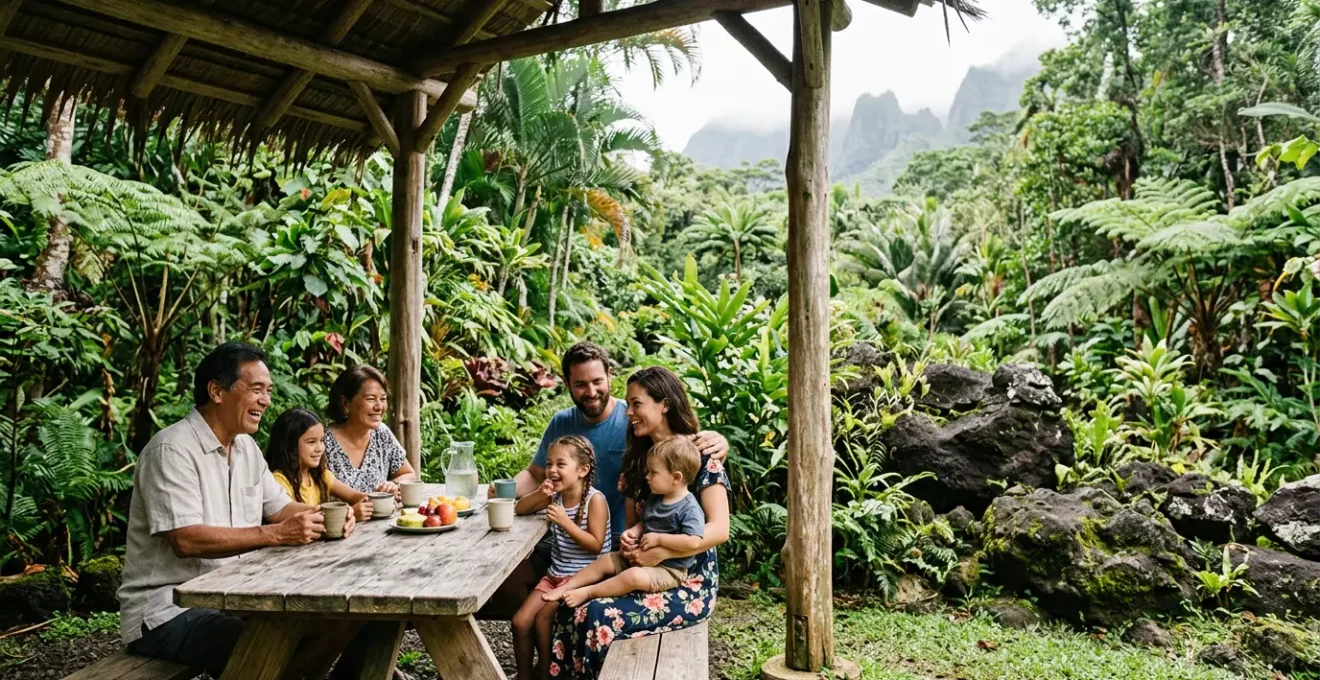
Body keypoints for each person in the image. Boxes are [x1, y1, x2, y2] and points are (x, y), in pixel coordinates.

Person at [118, 342, 355, 678]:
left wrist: (328, 514)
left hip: (234, 598)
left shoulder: (246, 448)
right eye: (256, 389)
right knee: (276, 647)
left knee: (342, 621)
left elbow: (280, 508)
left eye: (268, 391)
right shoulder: (171, 450)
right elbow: (186, 540)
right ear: (217, 391)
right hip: (169, 611)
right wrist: (274, 535)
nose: (266, 401)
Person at [546, 365, 730, 679]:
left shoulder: (700, 458)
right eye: (628, 404)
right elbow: (635, 525)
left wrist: (664, 550)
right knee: (568, 606)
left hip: (686, 581)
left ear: (664, 404)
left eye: (636, 404)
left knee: (597, 613)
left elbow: (720, 529)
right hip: (640, 569)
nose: (628, 412)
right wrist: (631, 541)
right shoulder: (636, 463)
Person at [491, 342, 728, 549]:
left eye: (597, 381)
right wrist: (503, 491)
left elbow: (680, 451)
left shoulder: (637, 424)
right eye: (581, 384)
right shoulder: (566, 423)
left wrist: (718, 442)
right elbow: (536, 474)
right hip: (571, 536)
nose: (591, 392)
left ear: (609, 376)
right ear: (567, 383)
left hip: (621, 539)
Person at [544, 436, 703, 608]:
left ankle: (588, 592)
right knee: (605, 560)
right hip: (639, 557)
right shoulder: (656, 497)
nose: (647, 476)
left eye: (653, 472)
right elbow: (645, 523)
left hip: (668, 570)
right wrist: (634, 531)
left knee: (633, 576)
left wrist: (659, 539)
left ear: (676, 477)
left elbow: (694, 541)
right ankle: (565, 587)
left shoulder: (689, 508)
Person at [511, 436, 610, 680]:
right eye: (549, 464)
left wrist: (566, 522)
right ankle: (524, 676)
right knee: (520, 622)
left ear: (582, 470)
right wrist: (539, 494)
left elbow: (596, 545)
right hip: (554, 575)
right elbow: (520, 509)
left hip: (583, 577)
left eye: (561, 464)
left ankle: (546, 672)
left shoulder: (595, 500)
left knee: (543, 619)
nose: (552, 470)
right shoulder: (555, 496)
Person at [323, 365, 418, 498]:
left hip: (381, 512)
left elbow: (409, 474)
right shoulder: (322, 441)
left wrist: (394, 484)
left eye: (383, 399)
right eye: (371, 399)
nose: (379, 407)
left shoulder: (381, 433)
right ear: (345, 403)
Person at [266, 407, 374, 522]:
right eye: (311, 442)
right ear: (289, 445)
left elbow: (354, 496)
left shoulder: (321, 476)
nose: (320, 449)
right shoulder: (279, 481)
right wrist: (349, 515)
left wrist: (378, 498)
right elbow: (299, 520)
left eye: (322, 441)